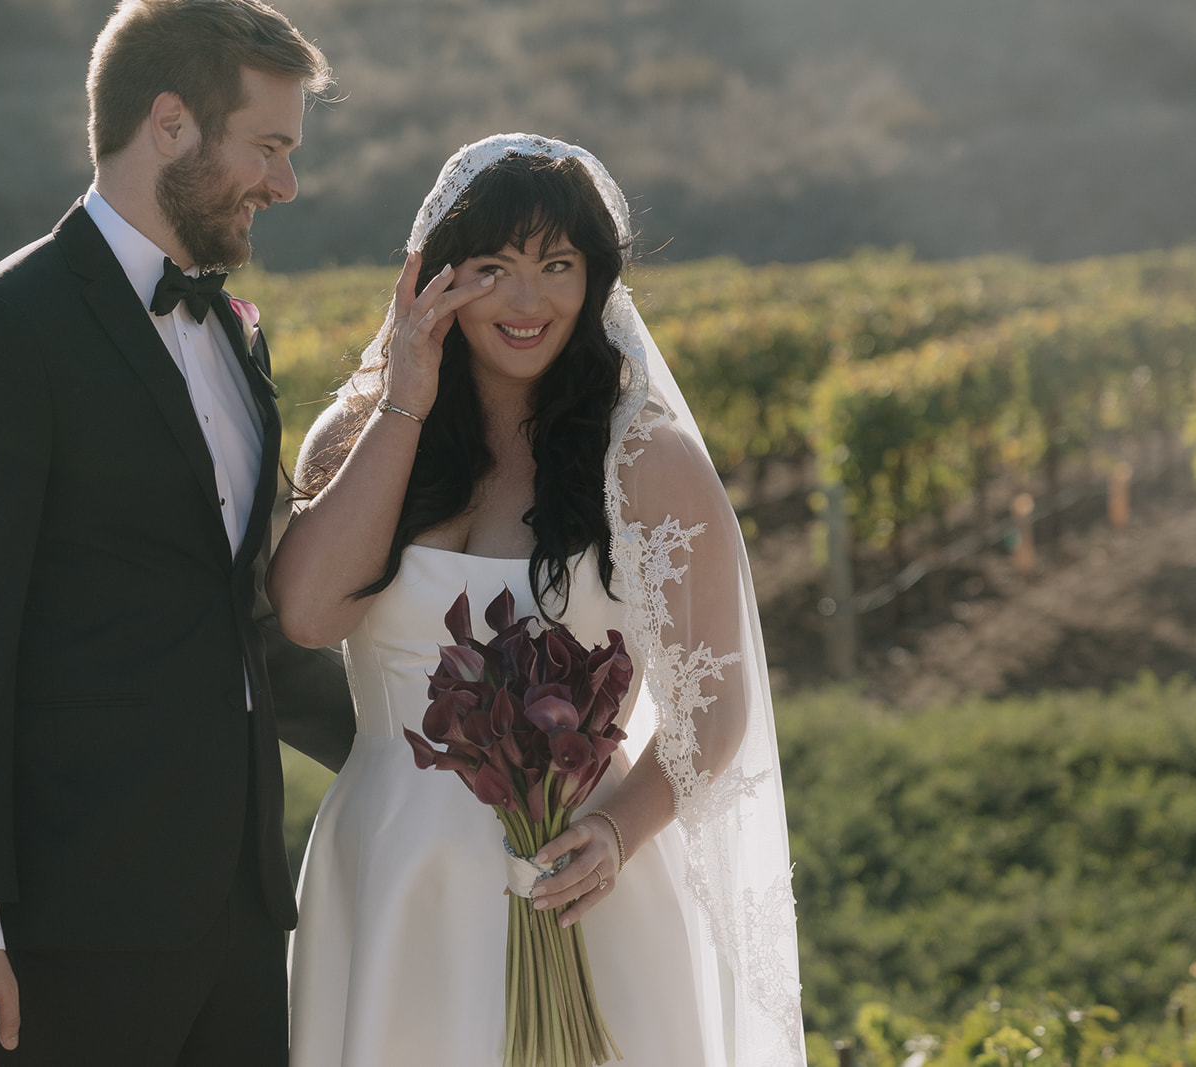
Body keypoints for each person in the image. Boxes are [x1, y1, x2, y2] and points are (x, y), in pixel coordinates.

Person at [268, 134, 804, 1066]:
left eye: (557, 266)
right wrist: (405, 399)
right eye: (493, 267)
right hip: (395, 878)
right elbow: (310, 616)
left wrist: (612, 830)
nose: (528, 301)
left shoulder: (649, 460)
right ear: (434, 279)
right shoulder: (357, 435)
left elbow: (713, 707)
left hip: (589, 886)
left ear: (594, 281)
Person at [0, 2, 355, 1065]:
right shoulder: (3, 332)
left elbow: (237, 614)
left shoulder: (235, 331)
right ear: (169, 124)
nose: (284, 184)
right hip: (75, 933)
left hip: (244, 923)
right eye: (270, 147)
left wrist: (430, 759)